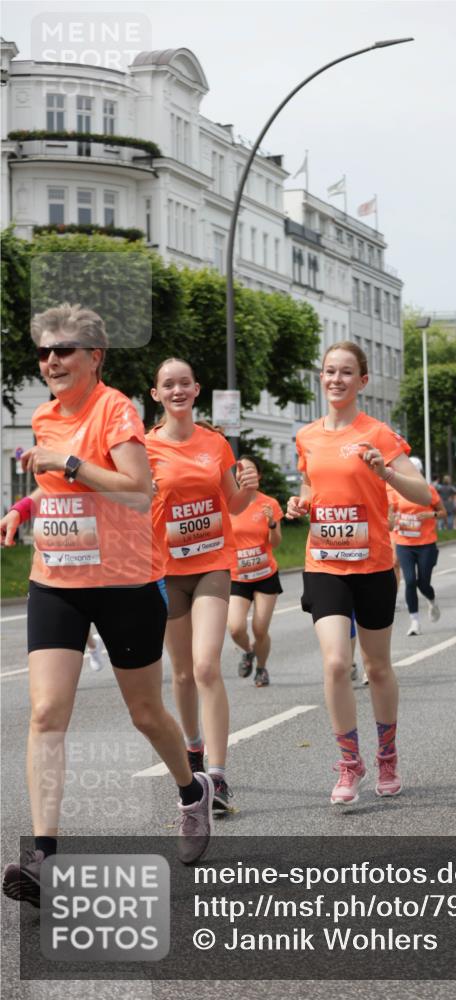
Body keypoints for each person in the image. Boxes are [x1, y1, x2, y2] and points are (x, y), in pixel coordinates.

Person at [1, 306, 212, 907]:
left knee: (146, 713)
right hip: (57, 580)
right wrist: (23, 510)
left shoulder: (114, 409)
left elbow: (137, 489)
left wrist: (68, 462)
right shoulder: (43, 414)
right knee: (45, 713)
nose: (51, 361)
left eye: (64, 350)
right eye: (44, 352)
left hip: (124, 582)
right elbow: (57, 493)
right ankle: (44, 857)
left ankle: (190, 790)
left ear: (95, 357)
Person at [286, 341, 431, 806]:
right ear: (321, 377)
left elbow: (424, 494)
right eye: (329, 371)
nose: (336, 379)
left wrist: (387, 475)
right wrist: (301, 502)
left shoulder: (379, 435)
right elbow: (311, 483)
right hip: (323, 563)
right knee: (334, 662)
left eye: (346, 372)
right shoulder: (306, 436)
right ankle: (350, 763)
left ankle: (387, 755)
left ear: (362, 381)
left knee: (377, 665)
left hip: (371, 565)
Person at [147, 358, 259, 815]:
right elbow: (127, 503)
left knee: (206, 665)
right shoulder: (144, 446)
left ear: (197, 390)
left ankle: (217, 775)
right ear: (156, 394)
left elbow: (233, 504)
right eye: (167, 385)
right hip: (167, 569)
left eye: (184, 383)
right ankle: (192, 749)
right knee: (180, 673)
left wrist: (249, 488)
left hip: (214, 561)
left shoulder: (215, 444)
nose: (177, 390)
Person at [227, 455, 283, 688]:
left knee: (260, 629)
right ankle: (248, 652)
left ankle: (261, 668)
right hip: (237, 576)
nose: (243, 473)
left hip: (265, 575)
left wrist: (271, 524)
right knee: (236, 627)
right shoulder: (227, 504)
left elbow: (277, 542)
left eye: (249, 469)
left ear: (258, 475)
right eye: (239, 470)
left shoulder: (269, 504)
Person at [388, 457, 444, 636]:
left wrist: (430, 514)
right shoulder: (396, 492)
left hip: (426, 543)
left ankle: (432, 601)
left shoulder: (428, 490)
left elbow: (442, 512)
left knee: (423, 583)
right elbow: (390, 518)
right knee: (410, 581)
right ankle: (414, 621)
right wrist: (392, 519)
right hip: (404, 543)